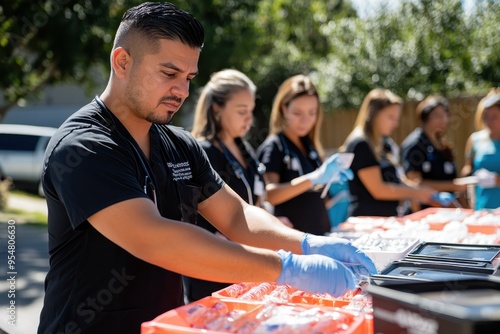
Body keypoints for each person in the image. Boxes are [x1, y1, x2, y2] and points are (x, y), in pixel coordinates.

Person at [37, 3, 376, 333]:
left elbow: (236, 216)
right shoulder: (84, 146)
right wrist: (285, 268)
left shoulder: (180, 145)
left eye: (189, 77)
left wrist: (306, 244)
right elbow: (155, 239)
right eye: (169, 73)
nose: (182, 91)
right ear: (122, 62)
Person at [187, 68, 285, 301]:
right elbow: (191, 221)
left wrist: (272, 221)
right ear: (217, 108)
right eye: (242, 111)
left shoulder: (244, 149)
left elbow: (256, 199)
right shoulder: (203, 152)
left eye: (251, 111)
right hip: (213, 273)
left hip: (247, 266)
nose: (249, 120)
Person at [257, 74, 352, 235]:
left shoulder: (310, 146)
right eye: (297, 113)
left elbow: (318, 197)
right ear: (283, 109)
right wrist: (314, 178)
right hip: (293, 244)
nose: (305, 120)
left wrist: (331, 183)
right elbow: (268, 194)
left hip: (320, 236)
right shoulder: (275, 147)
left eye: (312, 113)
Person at [341, 88, 436, 217]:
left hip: (387, 219)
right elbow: (379, 190)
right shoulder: (360, 144)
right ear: (373, 114)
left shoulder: (385, 143)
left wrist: (420, 190)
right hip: (366, 222)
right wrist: (414, 192)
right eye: (391, 117)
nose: (396, 124)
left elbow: (396, 179)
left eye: (397, 118)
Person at [401, 96, 468, 209]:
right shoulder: (415, 144)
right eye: (437, 115)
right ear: (425, 117)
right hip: (425, 212)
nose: (443, 119)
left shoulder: (443, 145)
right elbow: (413, 184)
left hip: (447, 211)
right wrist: (453, 186)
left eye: (445, 115)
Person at [461, 88, 500, 209]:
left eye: (494, 117)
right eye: (486, 116)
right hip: (482, 208)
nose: (489, 121)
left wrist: (496, 180)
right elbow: (467, 169)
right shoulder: (474, 140)